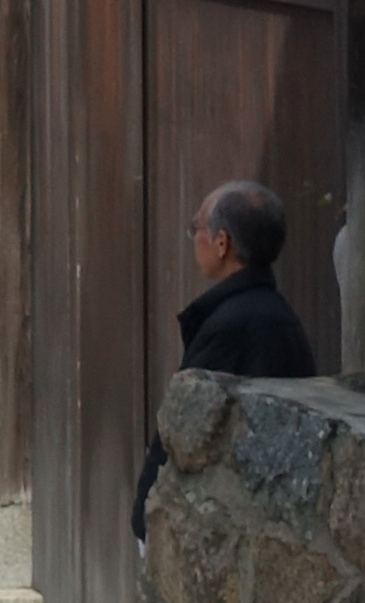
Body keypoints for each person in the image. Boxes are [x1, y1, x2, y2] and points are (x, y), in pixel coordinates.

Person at [132, 179, 321, 542]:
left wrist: (146, 513)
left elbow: (184, 429)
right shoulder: (270, 313)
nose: (194, 239)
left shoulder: (237, 324)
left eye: (197, 228)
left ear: (222, 243)